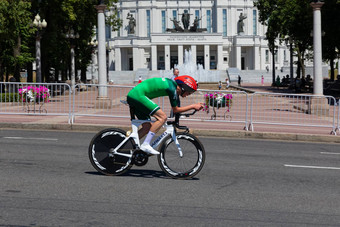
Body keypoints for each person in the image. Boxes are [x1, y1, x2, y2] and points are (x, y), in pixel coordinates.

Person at [127, 75, 203, 155]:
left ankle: (126, 147)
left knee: (147, 128)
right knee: (162, 117)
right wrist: (193, 106)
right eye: (190, 92)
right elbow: (175, 109)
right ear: (184, 88)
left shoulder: (172, 86)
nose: (189, 94)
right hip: (138, 95)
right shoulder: (172, 88)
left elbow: (176, 109)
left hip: (136, 95)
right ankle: (145, 144)